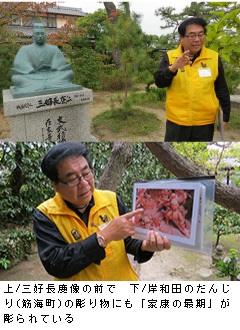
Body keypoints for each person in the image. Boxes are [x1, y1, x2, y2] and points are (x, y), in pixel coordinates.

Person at [33, 142, 171, 281]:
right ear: (55, 185)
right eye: (72, 179)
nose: (84, 184)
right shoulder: (46, 215)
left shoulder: (111, 200)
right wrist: (105, 236)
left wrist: (145, 247)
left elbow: (127, 242)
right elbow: (56, 264)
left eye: (86, 173)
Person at [154, 17, 230, 142]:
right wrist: (173, 68)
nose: (197, 39)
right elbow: (159, 82)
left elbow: (221, 88)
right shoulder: (170, 56)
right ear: (181, 37)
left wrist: (225, 116)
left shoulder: (214, 57)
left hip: (204, 121)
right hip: (177, 120)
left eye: (201, 35)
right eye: (192, 35)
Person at [11, 22, 81, 98]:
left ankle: (42, 85)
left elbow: (60, 63)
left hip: (52, 75)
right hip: (32, 76)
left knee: (69, 73)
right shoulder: (24, 49)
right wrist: (31, 70)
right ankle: (48, 85)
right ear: (33, 36)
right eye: (37, 34)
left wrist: (52, 67)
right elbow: (20, 63)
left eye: (42, 34)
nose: (40, 36)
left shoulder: (54, 48)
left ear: (45, 36)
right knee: (17, 78)